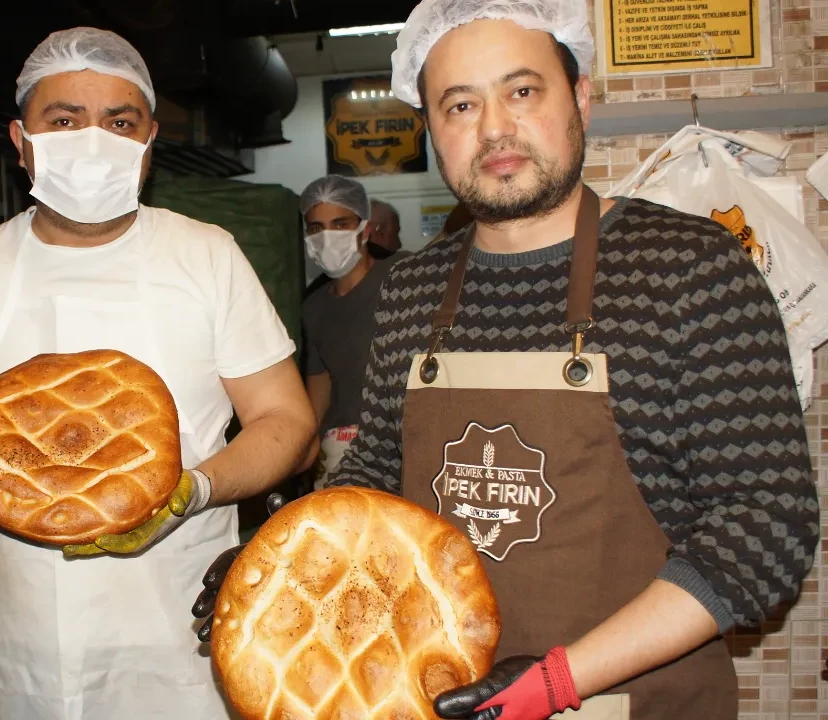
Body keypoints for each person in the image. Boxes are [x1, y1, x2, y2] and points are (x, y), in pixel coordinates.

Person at [193, 1, 819, 718]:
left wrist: (562, 679)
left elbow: (766, 529)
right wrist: (284, 565)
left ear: (579, 97)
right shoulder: (413, 289)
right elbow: (379, 479)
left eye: (522, 92)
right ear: (432, 132)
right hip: (432, 694)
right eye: (460, 105)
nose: (493, 129)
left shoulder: (690, 270)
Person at [0, 26, 316, 720]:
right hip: (13, 652)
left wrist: (195, 490)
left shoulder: (205, 256)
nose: (92, 140)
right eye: (65, 120)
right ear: (21, 141)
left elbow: (287, 422)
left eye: (118, 121)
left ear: (148, 141)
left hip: (177, 649)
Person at [299, 176, 396, 490]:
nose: (327, 237)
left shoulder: (401, 278)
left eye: (340, 224)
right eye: (316, 228)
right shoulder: (313, 307)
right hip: (340, 449)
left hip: (398, 441)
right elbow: (320, 383)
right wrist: (307, 445)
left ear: (365, 231)